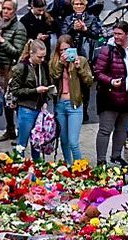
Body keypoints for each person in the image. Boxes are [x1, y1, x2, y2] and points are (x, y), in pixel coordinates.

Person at [93, 21, 128, 164]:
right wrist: (111, 81)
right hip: (109, 98)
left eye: (119, 34)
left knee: (122, 130)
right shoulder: (107, 50)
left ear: (127, 34)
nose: (116, 37)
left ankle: (116, 156)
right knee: (105, 130)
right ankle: (101, 160)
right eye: (114, 34)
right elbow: (98, 72)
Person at [50, 34, 93, 163]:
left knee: (73, 142)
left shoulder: (81, 60)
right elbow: (53, 78)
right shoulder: (54, 61)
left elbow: (89, 81)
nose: (64, 53)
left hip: (75, 104)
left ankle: (80, 168)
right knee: (64, 140)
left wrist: (79, 68)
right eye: (61, 50)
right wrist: (60, 65)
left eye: (67, 50)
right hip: (60, 104)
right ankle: (69, 164)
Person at [8, 39, 52, 157]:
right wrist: (35, 91)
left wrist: (46, 99)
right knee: (22, 142)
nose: (42, 60)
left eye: (44, 57)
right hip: (26, 108)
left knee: (37, 141)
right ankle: (19, 167)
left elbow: (47, 83)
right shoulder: (21, 67)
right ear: (31, 53)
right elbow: (15, 90)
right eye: (39, 57)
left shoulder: (43, 66)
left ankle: (37, 169)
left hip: (39, 108)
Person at [0, 0, 27, 143]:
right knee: (6, 102)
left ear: (14, 11)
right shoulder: (0, 23)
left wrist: (1, 42)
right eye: (4, 8)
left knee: (15, 101)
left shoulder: (19, 28)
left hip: (12, 69)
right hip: (0, 67)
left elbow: (18, 52)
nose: (5, 11)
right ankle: (10, 129)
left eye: (9, 9)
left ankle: (21, 132)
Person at [60, 0, 102, 119]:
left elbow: (97, 34)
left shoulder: (91, 18)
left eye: (81, 4)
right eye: (76, 4)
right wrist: (73, 29)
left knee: (85, 81)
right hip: (70, 53)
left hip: (86, 53)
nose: (79, 7)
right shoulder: (68, 18)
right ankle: (71, 105)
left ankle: (84, 109)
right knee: (70, 79)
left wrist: (85, 30)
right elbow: (63, 35)